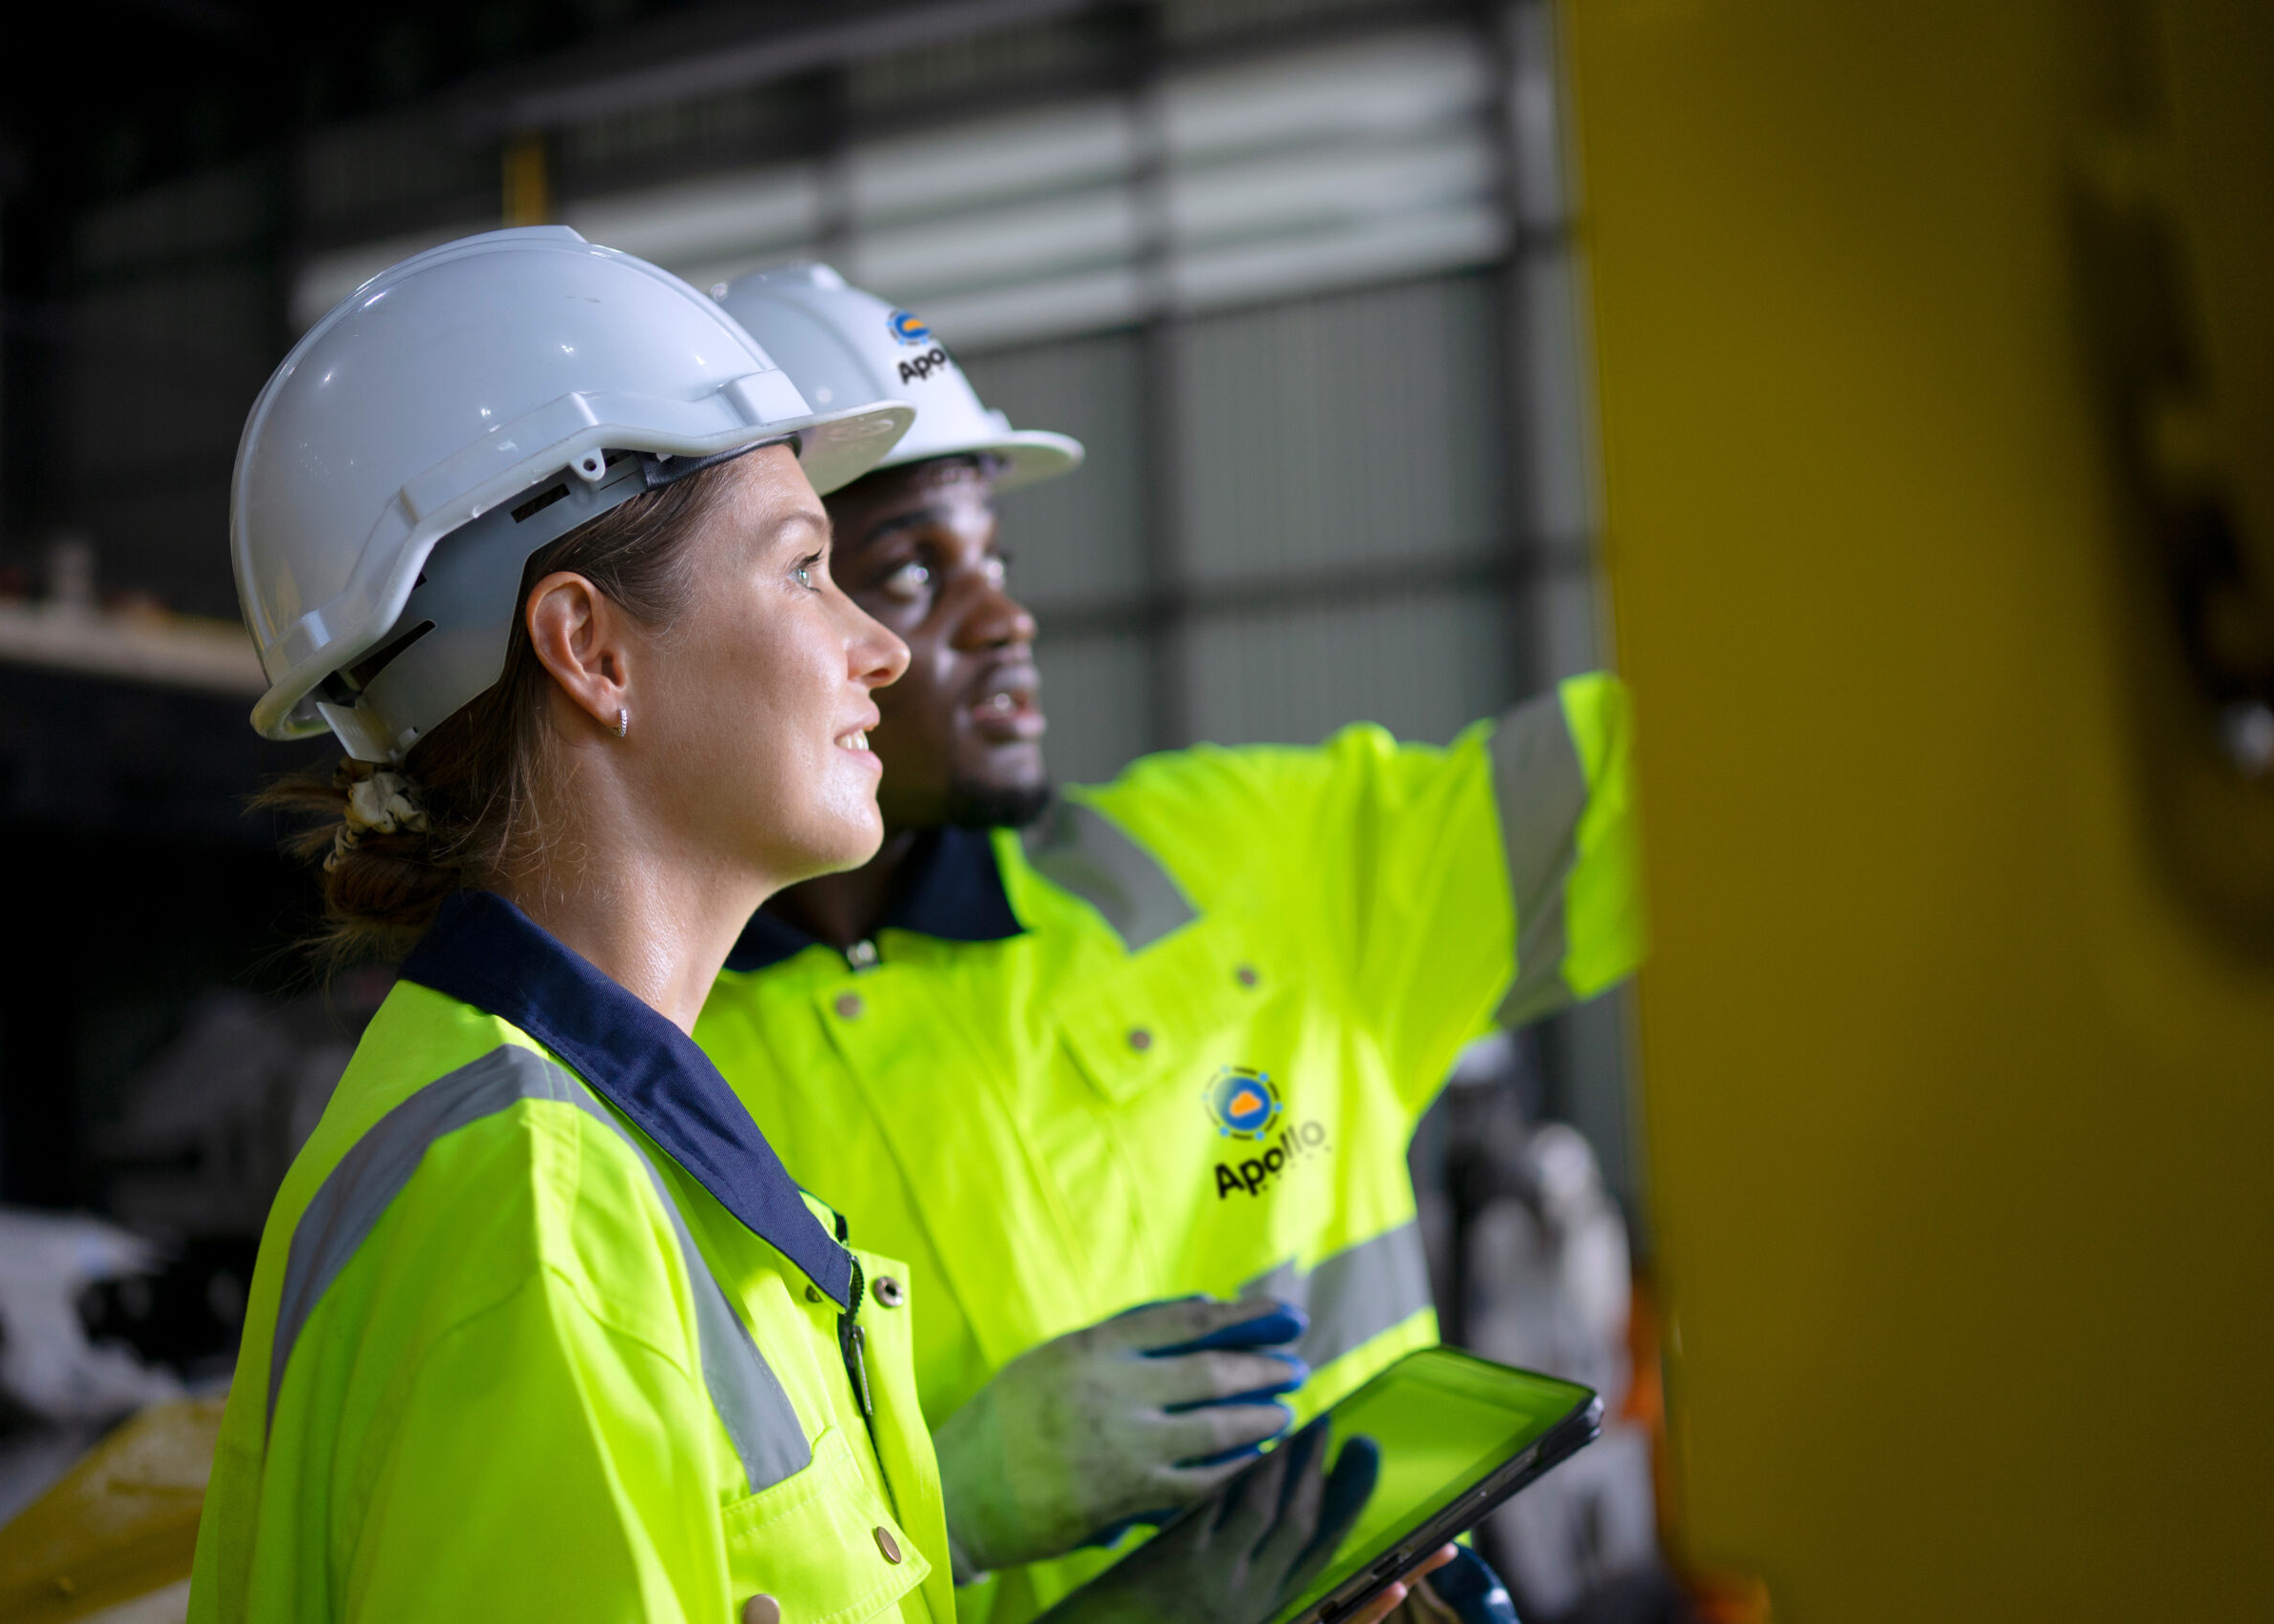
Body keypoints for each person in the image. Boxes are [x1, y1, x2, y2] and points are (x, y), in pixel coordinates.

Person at [192, 228, 1431, 1624]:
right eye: (802, 570)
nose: (881, 648)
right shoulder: (534, 1232)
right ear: (592, 652)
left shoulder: (599, 1152)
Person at [693, 264, 1646, 1624]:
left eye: (994, 561)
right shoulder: (642, 1093)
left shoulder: (1245, 860)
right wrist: (934, 1504)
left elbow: (1656, 778)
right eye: (909, 571)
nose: (1006, 621)